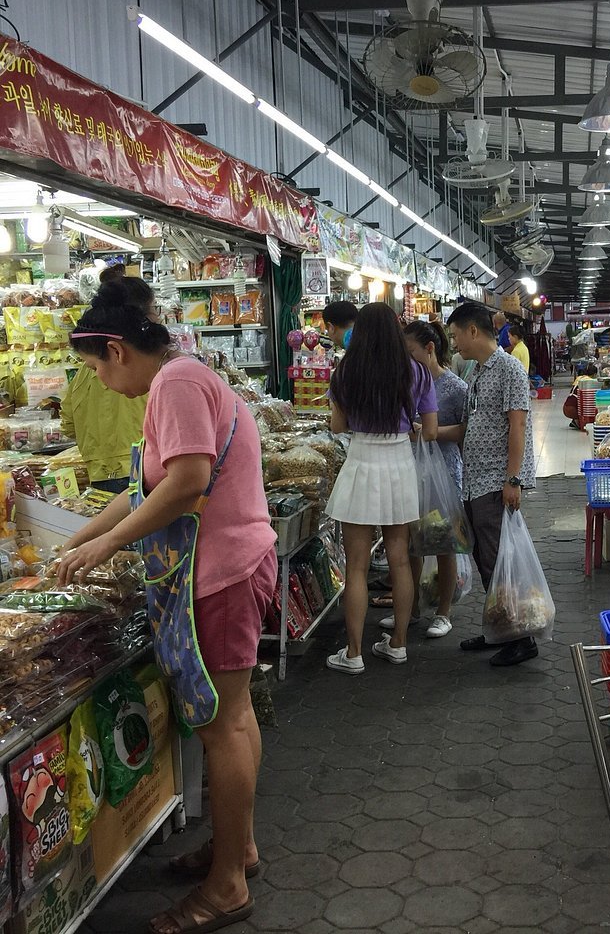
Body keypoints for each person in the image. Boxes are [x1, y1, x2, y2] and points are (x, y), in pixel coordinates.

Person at [55, 277, 277, 934]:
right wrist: (80, 541)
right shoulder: (174, 382)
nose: (95, 380)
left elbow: (187, 483)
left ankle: (228, 886)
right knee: (230, 719)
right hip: (223, 566)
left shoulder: (177, 384)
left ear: (117, 349)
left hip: (223, 570)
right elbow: (140, 488)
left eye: (93, 366)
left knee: (222, 726)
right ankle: (239, 847)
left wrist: (109, 546)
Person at [325, 302, 438, 673]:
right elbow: (431, 428)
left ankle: (354, 653)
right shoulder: (418, 373)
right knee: (401, 559)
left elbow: (338, 427)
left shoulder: (344, 373)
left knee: (356, 566)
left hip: (361, 465)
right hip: (400, 465)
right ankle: (399, 644)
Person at [447, 303, 537, 667]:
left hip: (496, 480)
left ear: (473, 331)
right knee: (487, 559)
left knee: (501, 560)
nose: (454, 344)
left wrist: (512, 480)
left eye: (455, 336)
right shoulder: (477, 372)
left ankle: (522, 637)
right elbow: (471, 426)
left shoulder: (510, 369)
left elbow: (518, 426)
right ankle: (499, 628)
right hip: (475, 480)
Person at [376, 319, 468, 640]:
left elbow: (463, 431)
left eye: (411, 351)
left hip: (444, 473)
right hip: (411, 472)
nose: (406, 358)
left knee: (444, 544)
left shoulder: (455, 387)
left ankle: (443, 612)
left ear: (429, 349)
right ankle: (410, 608)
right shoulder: (405, 382)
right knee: (412, 543)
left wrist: (428, 433)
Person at [61, 267, 151, 493]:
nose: (97, 374)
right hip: (139, 464)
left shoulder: (90, 369)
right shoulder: (149, 368)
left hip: (105, 468)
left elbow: (68, 420)